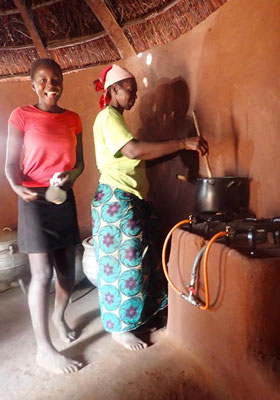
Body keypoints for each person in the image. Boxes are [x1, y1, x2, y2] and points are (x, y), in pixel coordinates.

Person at [92, 64, 208, 351]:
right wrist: (183, 142)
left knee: (141, 262)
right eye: (130, 89)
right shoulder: (108, 116)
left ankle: (141, 317)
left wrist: (180, 148)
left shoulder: (116, 120)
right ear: (114, 90)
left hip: (130, 199)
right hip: (117, 200)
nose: (135, 94)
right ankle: (120, 329)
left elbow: (135, 157)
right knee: (124, 266)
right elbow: (133, 151)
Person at [5, 58, 84, 374]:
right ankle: (44, 349)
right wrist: (15, 185)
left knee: (67, 273)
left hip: (62, 196)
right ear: (33, 84)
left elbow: (80, 163)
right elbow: (11, 162)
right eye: (43, 79)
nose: (51, 84)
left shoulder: (73, 118)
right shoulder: (21, 116)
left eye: (56, 78)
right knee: (42, 274)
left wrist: (72, 176)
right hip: (33, 199)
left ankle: (58, 316)